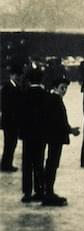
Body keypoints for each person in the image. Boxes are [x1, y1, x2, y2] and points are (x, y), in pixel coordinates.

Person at [18, 69, 49, 204]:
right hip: (41, 134)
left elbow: (20, 115)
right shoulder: (45, 95)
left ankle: (27, 192)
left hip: (28, 135)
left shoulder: (24, 95)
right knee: (39, 162)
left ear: (29, 80)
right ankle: (39, 189)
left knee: (27, 163)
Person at [1, 65, 23, 172]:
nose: (17, 77)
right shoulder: (7, 88)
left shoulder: (15, 87)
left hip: (13, 121)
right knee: (10, 143)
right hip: (9, 121)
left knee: (11, 143)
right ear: (12, 75)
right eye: (16, 75)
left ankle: (6, 163)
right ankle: (6, 164)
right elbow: (5, 105)